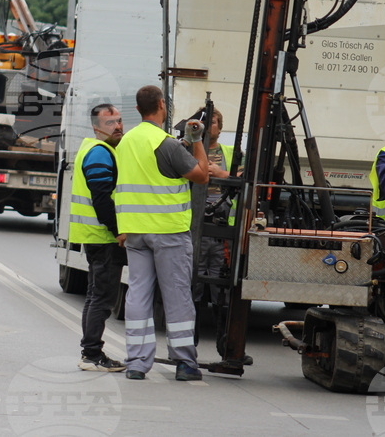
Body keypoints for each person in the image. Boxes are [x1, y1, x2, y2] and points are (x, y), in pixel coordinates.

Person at [116, 86, 208, 381]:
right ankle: (184, 363)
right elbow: (202, 175)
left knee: (138, 294)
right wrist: (197, 141)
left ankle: (137, 363)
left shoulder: (126, 141)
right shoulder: (165, 143)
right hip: (168, 231)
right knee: (176, 295)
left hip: (135, 232)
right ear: (159, 105)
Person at [191, 107, 253, 366]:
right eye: (204, 121)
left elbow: (248, 179)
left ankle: (227, 349)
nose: (209, 125)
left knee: (223, 293)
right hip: (194, 229)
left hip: (221, 231)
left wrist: (223, 175)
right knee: (191, 291)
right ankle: (185, 350)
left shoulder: (231, 153)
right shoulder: (187, 151)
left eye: (214, 121)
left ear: (220, 126)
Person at [71, 103, 127, 373]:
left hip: (95, 235)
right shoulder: (99, 154)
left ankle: (90, 351)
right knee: (102, 298)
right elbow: (102, 198)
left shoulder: (98, 150)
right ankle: (92, 354)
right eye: (110, 123)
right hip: (102, 236)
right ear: (96, 128)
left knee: (96, 296)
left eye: (119, 121)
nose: (118, 126)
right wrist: (119, 230)